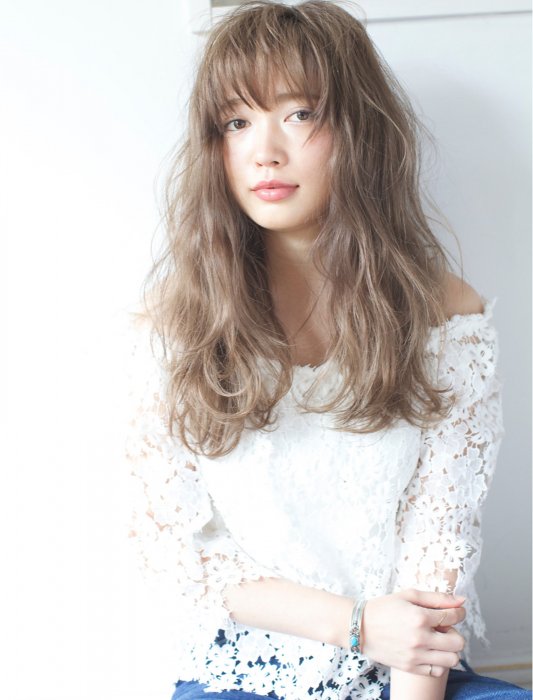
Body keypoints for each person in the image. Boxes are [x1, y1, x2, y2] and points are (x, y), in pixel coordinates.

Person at [126, 2, 530, 699]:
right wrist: (356, 625)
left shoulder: (446, 318)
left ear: (358, 128)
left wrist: (399, 668)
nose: (264, 151)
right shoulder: (176, 324)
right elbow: (173, 553)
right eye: (236, 122)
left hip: (408, 670)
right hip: (243, 674)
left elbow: (436, 554)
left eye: (300, 113)